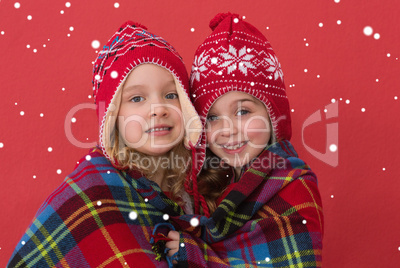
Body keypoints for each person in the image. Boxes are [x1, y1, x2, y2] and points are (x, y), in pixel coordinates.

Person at [8, 21, 202, 267]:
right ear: (113, 117)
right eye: (137, 98)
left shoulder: (195, 191)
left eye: (171, 95)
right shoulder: (92, 192)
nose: (158, 109)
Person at [166, 13, 324, 267]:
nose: (227, 130)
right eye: (212, 117)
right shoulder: (201, 185)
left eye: (243, 112)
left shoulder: (293, 186)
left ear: (273, 116)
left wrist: (196, 257)